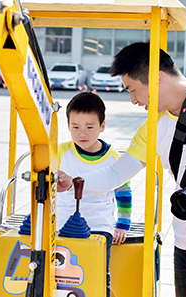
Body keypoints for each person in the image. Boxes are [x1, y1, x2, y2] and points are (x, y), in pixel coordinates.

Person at [57, 42, 186, 297]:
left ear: (156, 78)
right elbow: (116, 174)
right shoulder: (153, 126)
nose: (133, 100)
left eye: (133, 89)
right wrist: (73, 182)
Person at [57, 92, 132, 297]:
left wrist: (122, 225)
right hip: (62, 223)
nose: (83, 133)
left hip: (99, 224)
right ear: (68, 126)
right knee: (61, 274)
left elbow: (123, 191)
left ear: (102, 126)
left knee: (99, 272)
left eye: (90, 127)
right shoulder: (60, 151)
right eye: (75, 127)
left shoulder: (112, 157)